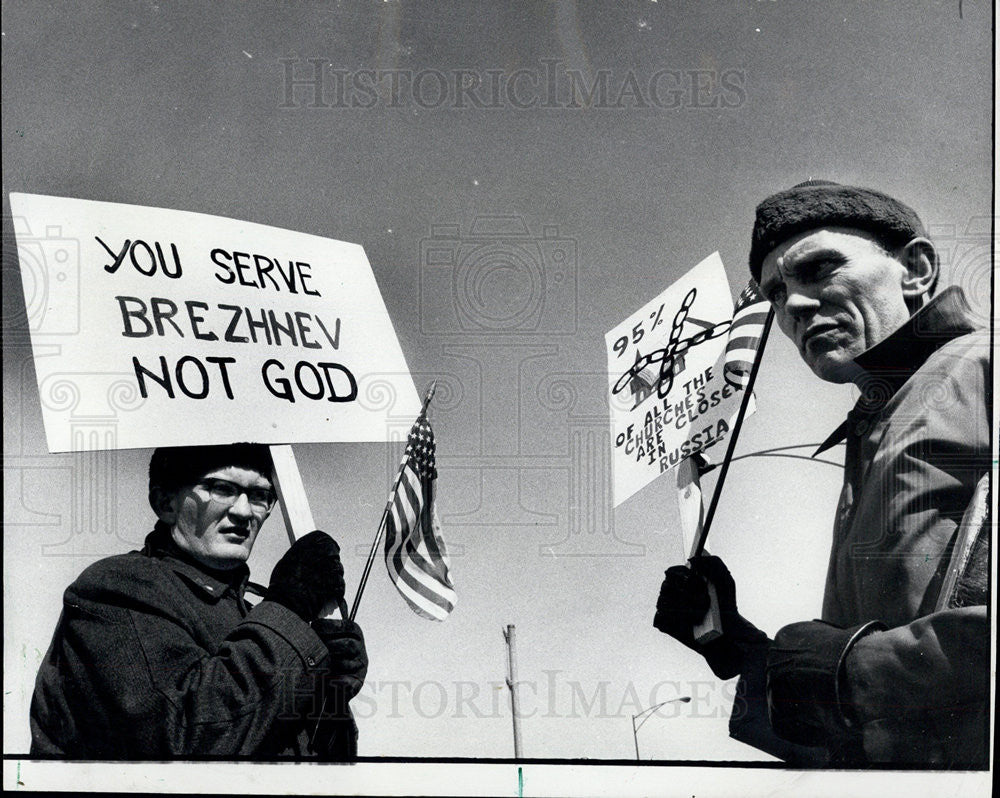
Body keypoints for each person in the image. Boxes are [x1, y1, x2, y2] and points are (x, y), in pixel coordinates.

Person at [654, 181, 990, 766]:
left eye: (820, 269)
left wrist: (842, 671)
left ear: (915, 268)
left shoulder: (983, 371)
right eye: (776, 293)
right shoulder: (874, 423)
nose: (794, 306)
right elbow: (872, 736)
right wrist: (745, 650)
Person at [30, 442, 368, 759]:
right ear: (166, 502)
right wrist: (289, 612)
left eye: (260, 495)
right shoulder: (117, 587)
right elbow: (184, 739)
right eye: (222, 489)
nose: (243, 511)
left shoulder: (254, 616)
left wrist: (328, 695)